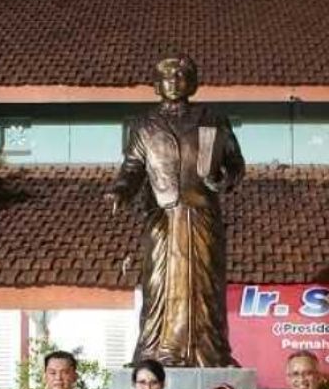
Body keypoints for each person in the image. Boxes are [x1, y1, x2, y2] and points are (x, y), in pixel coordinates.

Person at [105, 55, 245, 368]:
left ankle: (210, 351)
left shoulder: (212, 119)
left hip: (201, 214)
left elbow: (235, 164)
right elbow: (132, 167)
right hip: (162, 218)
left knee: (205, 285)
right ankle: (155, 352)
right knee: (157, 284)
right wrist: (120, 190)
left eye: (182, 75)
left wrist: (221, 178)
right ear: (157, 85)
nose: (175, 81)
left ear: (193, 82)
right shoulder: (144, 125)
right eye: (167, 76)